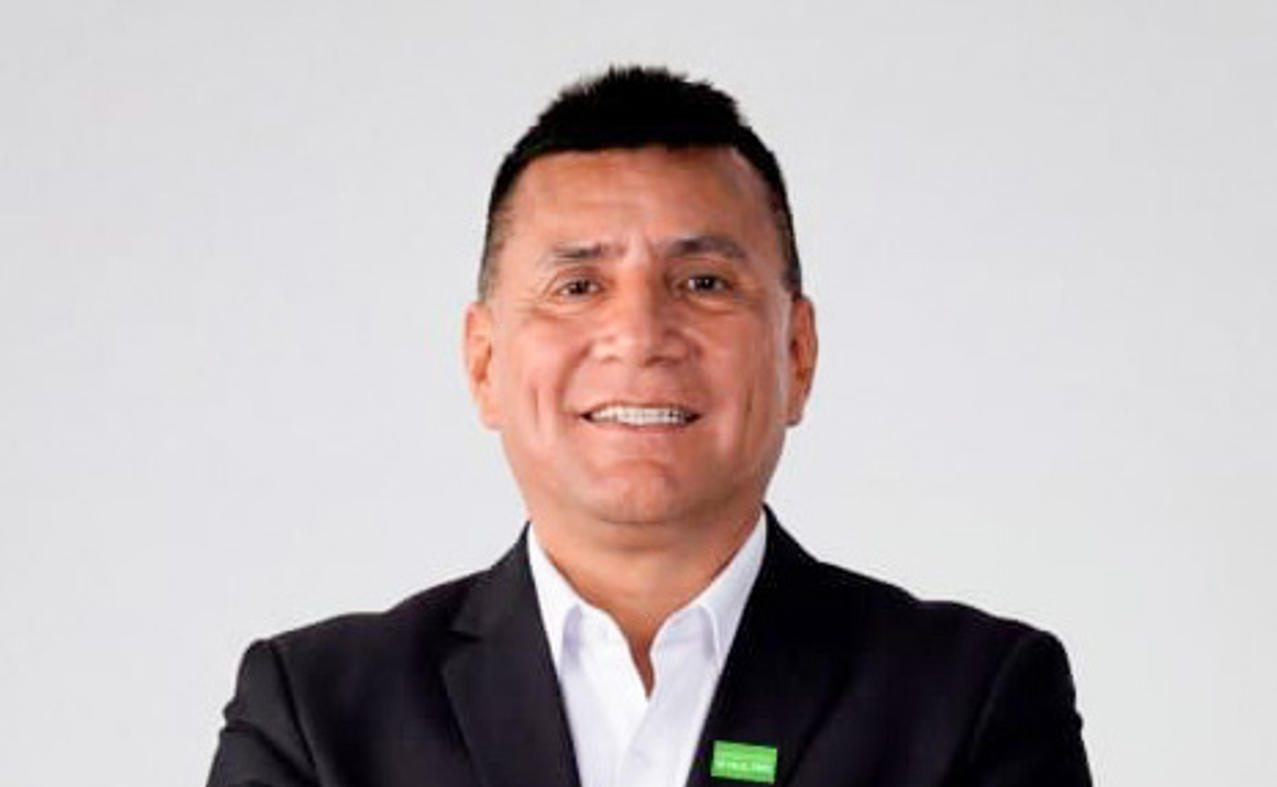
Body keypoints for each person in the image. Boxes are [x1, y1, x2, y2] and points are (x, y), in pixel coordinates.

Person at [206, 66, 1091, 787]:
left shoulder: (967, 699)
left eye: (703, 282)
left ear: (796, 353)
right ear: (483, 363)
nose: (638, 334)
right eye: (577, 286)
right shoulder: (320, 714)